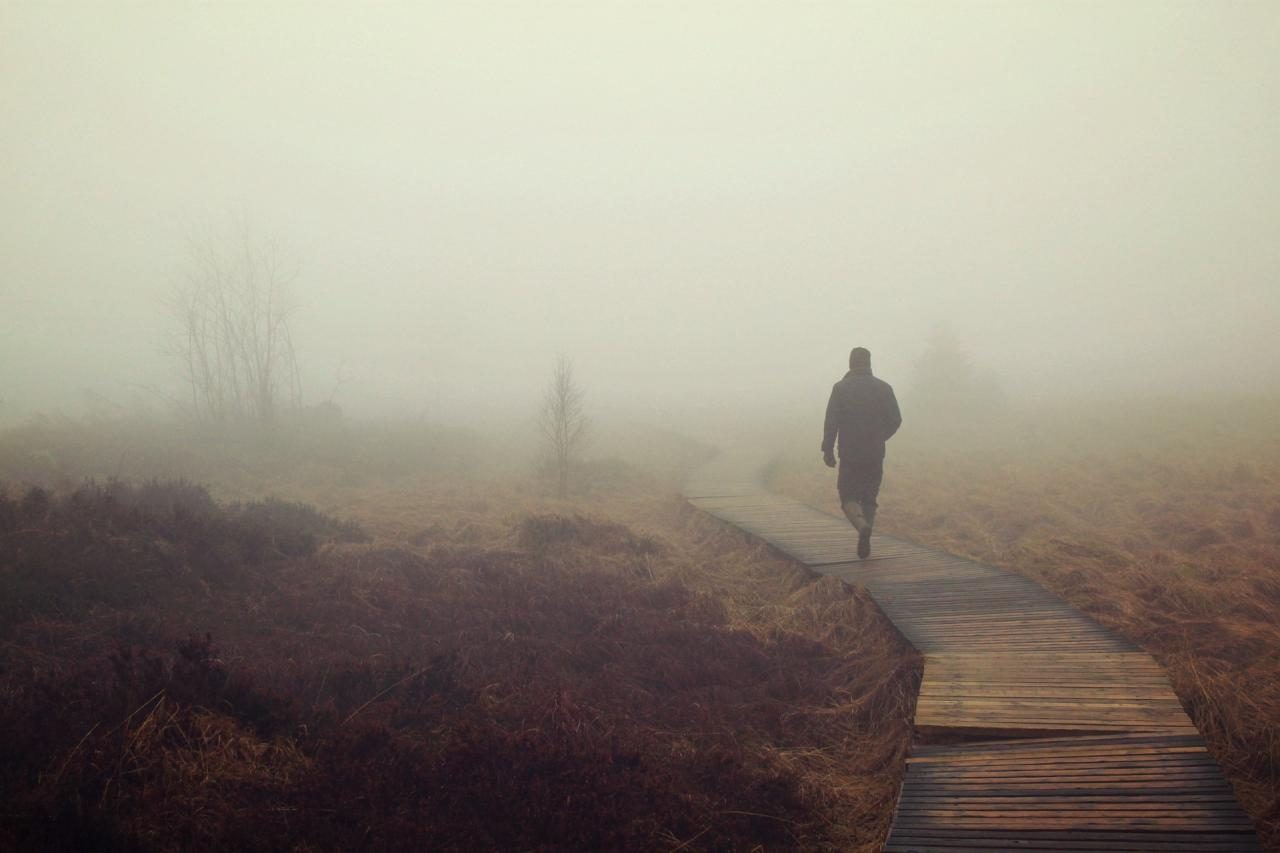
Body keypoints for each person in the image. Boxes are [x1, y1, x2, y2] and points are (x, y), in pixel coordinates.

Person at [821, 347, 902, 559]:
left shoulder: (840, 389)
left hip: (850, 452)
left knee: (847, 494)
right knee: (869, 496)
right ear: (869, 363)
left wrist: (828, 449)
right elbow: (896, 420)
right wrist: (880, 437)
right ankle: (867, 530)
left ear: (850, 363)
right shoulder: (884, 388)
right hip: (875, 452)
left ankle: (861, 525)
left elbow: (831, 423)